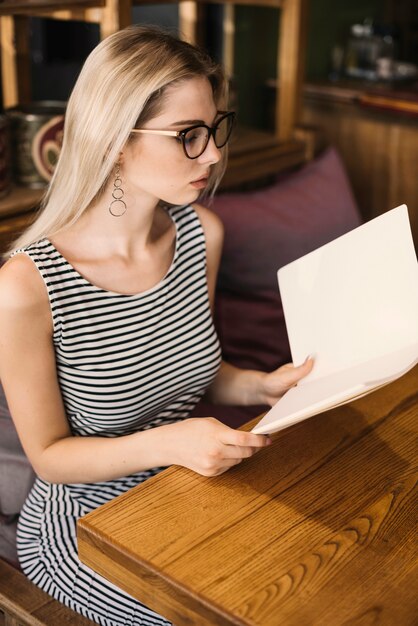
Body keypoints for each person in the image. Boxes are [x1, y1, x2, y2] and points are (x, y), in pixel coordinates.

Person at [0, 25, 313, 626]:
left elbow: (194, 368)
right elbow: (48, 458)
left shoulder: (201, 235)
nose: (215, 155)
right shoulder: (27, 286)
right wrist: (170, 443)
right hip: (82, 523)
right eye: (188, 136)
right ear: (114, 138)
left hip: (190, 486)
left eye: (215, 130)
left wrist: (258, 385)